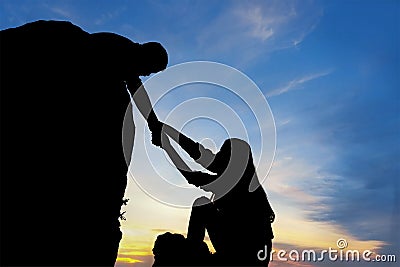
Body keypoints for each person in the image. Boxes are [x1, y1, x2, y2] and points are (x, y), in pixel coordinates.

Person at [1, 20, 166, 266]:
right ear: (145, 55)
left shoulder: (124, 57)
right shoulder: (119, 51)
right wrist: (153, 124)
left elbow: (136, 89)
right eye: (150, 69)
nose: (146, 74)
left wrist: (154, 124)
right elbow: (135, 89)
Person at [153, 123, 275, 266]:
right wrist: (165, 129)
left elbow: (192, 176)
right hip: (254, 255)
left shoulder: (234, 183)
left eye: (222, 154)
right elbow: (198, 152)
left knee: (201, 204)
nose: (218, 157)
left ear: (232, 160)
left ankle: (191, 255)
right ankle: (193, 252)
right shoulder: (245, 183)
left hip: (244, 255)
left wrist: (167, 146)